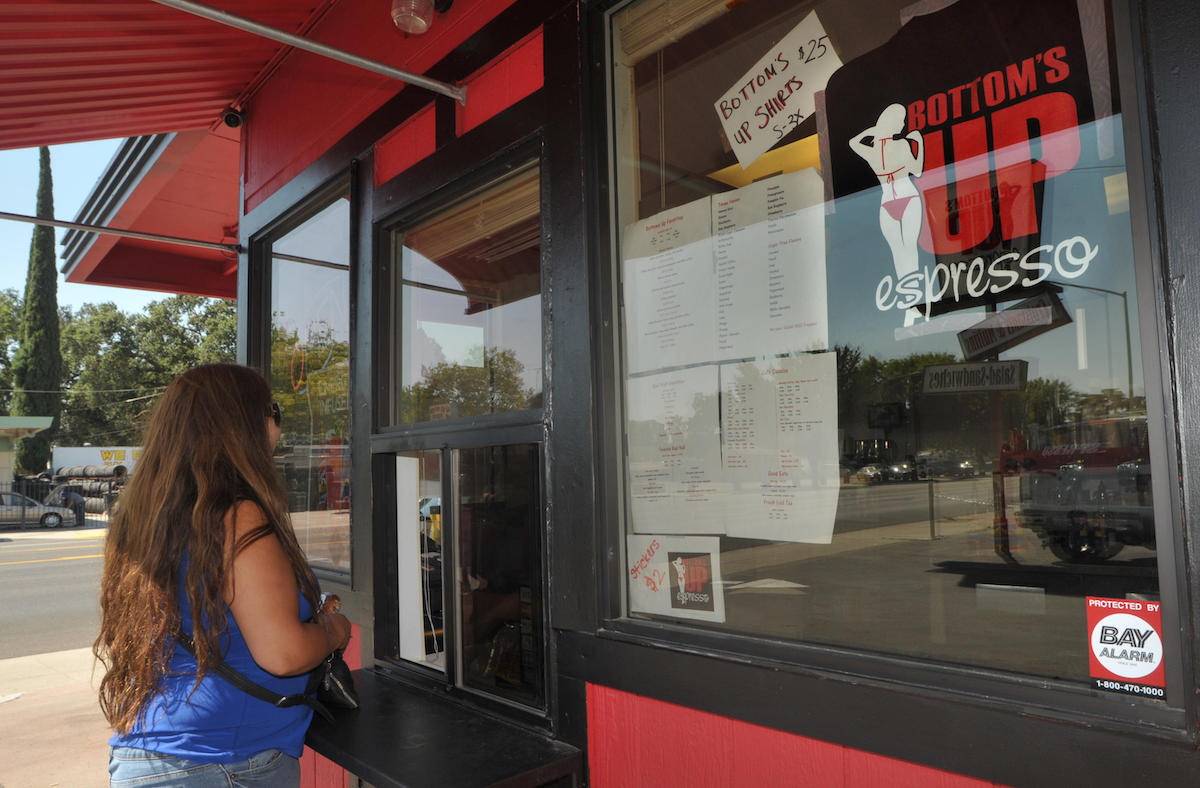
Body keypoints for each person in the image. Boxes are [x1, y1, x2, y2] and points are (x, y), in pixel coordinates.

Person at [93, 364, 351, 787]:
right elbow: (283, 654)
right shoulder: (237, 517)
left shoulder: (150, 517)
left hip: (154, 756)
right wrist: (334, 631)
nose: (278, 427)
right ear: (243, 423)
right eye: (274, 411)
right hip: (224, 765)